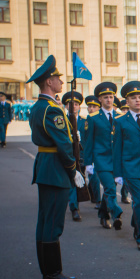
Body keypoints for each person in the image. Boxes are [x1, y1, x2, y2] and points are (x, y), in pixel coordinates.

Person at [26, 56, 85, 279]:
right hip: (56, 168)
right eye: (58, 78)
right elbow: (62, 143)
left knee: (45, 221)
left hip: (46, 166)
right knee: (53, 223)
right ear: (49, 82)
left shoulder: (40, 106)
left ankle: (48, 272)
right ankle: (53, 274)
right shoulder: (52, 110)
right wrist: (73, 169)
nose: (61, 81)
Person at [113, 81, 140, 251]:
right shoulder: (120, 121)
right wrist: (118, 173)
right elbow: (117, 148)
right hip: (130, 168)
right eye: (133, 98)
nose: (137, 100)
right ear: (127, 101)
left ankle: (137, 223)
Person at [83, 82, 123, 230]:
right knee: (110, 188)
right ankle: (116, 214)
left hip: (117, 160)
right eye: (105, 97)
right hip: (101, 160)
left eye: (111, 97)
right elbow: (88, 142)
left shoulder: (120, 117)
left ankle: (103, 214)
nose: (109, 100)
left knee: (109, 189)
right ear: (100, 99)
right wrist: (88, 163)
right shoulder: (93, 118)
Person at [62, 91, 85, 222]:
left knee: (83, 181)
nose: (74, 106)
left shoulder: (85, 121)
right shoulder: (62, 120)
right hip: (69, 154)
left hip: (82, 154)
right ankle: (74, 208)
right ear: (66, 106)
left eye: (76, 104)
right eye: (71, 104)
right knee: (72, 180)